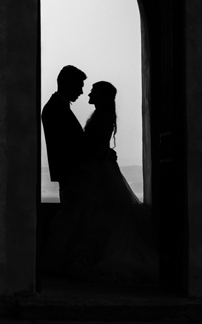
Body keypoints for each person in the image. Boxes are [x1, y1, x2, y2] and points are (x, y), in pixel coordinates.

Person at [59, 81, 157, 284]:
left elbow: (93, 146)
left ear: (101, 95)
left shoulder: (101, 117)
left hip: (96, 169)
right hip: (100, 167)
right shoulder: (103, 115)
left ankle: (87, 258)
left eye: (92, 92)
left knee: (96, 213)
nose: (88, 96)